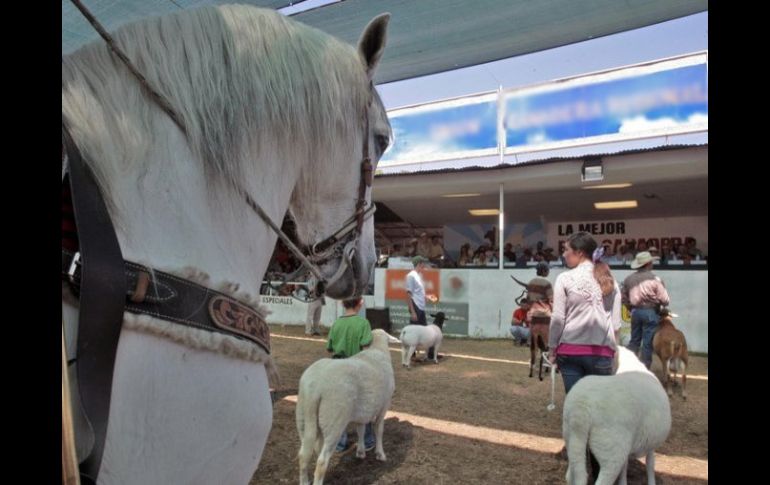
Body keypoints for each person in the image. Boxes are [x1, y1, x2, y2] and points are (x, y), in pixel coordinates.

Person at [548, 231, 622, 479]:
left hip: (570, 352)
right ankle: (602, 472)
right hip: (601, 353)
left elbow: (558, 319)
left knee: (578, 412)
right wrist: (615, 351)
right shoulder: (609, 279)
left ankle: (579, 472)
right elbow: (616, 324)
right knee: (602, 414)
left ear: (579, 252)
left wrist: (552, 348)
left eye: (566, 250)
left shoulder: (565, 279)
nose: (563, 254)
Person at [326, 297, 376, 453]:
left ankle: (339, 443)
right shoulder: (363, 323)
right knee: (363, 403)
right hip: (356, 367)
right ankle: (367, 440)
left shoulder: (336, 323)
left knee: (339, 405)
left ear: (342, 303)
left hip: (338, 367)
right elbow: (366, 349)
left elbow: (330, 348)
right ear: (360, 303)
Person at [622, 251, 670, 369]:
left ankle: (628, 366)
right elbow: (665, 300)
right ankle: (644, 368)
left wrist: (630, 308)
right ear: (648, 264)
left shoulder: (629, 279)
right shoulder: (655, 279)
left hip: (635, 312)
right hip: (651, 312)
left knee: (634, 341)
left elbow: (624, 299)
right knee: (647, 343)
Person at [406, 255, 438, 358]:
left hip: (420, 307)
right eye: (422, 263)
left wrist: (426, 297)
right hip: (416, 307)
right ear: (419, 264)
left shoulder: (417, 276)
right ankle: (412, 354)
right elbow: (408, 295)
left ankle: (429, 354)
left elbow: (417, 293)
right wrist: (413, 312)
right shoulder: (411, 276)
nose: (424, 265)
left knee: (422, 332)